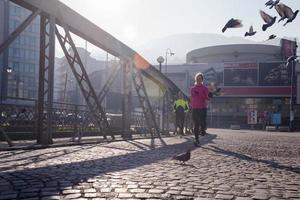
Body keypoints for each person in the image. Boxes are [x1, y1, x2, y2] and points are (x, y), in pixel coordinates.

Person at [190, 72, 209, 144]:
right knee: (196, 124)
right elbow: (192, 98)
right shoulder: (192, 88)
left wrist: (201, 95)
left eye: (200, 79)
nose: (198, 80)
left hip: (203, 107)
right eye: (197, 79)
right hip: (195, 108)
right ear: (195, 79)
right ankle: (196, 138)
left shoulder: (205, 88)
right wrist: (190, 106)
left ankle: (203, 130)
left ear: (202, 80)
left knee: (203, 123)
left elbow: (207, 98)